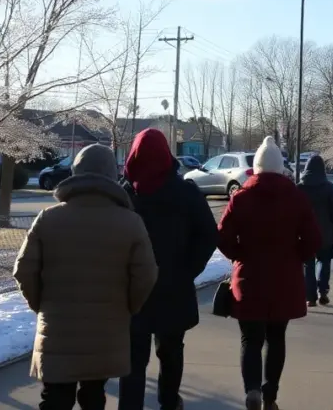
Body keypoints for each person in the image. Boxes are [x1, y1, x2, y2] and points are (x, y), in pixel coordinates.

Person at [13, 144, 158, 410]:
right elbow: (146, 274)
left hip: (57, 326)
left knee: (55, 398)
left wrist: (42, 305)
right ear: (112, 176)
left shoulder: (48, 218)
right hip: (107, 328)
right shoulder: (130, 222)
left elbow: (23, 270)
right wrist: (129, 307)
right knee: (94, 394)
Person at [218, 137, 322, 410]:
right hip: (284, 280)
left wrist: (239, 255)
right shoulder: (297, 198)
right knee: (276, 338)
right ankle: (270, 395)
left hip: (249, 279)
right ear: (279, 167)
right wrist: (295, 256)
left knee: (250, 339)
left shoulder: (240, 198)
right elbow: (313, 239)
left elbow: (223, 237)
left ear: (256, 167)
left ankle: (252, 389)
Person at [118, 129, 218, 410]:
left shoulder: (124, 195)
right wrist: (189, 270)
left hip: (132, 290)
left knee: (133, 358)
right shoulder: (186, 192)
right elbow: (209, 235)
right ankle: (169, 402)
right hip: (174, 287)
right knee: (171, 351)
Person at [298, 154, 333, 307]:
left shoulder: (299, 188)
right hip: (326, 232)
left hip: (305, 234)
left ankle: (310, 297)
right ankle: (323, 290)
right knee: (325, 262)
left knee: (308, 265)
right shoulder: (329, 187)